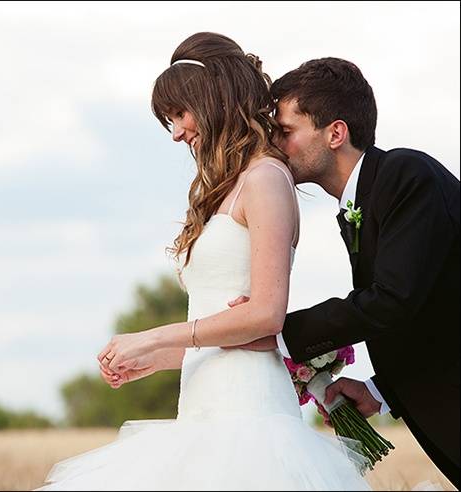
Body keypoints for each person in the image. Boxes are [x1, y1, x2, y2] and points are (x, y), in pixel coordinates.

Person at [35, 33, 370, 490]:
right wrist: (156, 357)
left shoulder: (265, 179)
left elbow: (265, 315)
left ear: (214, 100)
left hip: (249, 418)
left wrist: (152, 336)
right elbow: (216, 327)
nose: (175, 132)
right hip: (201, 409)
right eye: (168, 120)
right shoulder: (222, 190)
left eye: (179, 114)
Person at [224, 57, 460, 489]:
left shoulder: (405, 174)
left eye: (286, 131)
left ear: (335, 133)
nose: (275, 146)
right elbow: (432, 314)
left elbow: (393, 298)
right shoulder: (356, 205)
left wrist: (277, 331)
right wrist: (380, 389)